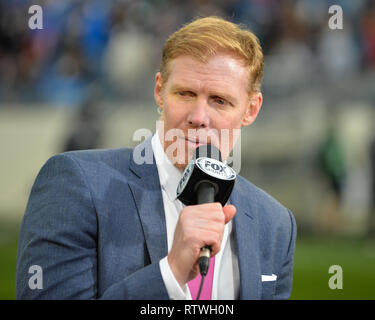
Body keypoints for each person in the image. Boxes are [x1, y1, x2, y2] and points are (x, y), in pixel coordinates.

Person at [16, 16, 296, 300]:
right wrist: (171, 273)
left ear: (251, 109)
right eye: (185, 94)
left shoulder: (274, 223)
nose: (198, 118)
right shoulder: (76, 184)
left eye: (219, 100)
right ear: (159, 91)